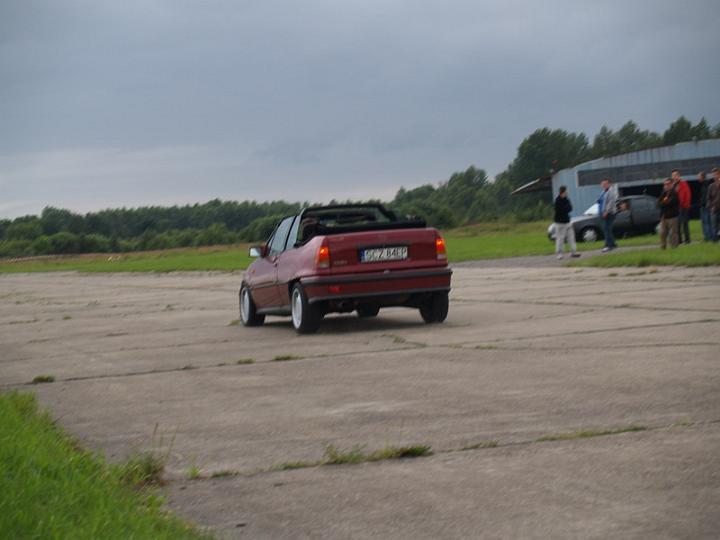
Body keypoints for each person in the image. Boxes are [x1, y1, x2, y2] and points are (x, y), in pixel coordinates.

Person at [553, 186, 581, 259]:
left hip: (567, 221)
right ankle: (559, 253)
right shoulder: (557, 200)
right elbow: (562, 210)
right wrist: (566, 208)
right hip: (559, 222)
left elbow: (570, 208)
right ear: (563, 192)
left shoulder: (567, 199)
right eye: (566, 191)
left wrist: (566, 208)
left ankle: (573, 252)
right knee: (560, 238)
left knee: (571, 237)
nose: (567, 192)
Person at [658, 178, 679, 249]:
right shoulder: (663, 193)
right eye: (665, 184)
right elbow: (658, 204)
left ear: (672, 184)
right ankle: (663, 246)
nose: (666, 186)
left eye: (667, 184)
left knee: (672, 233)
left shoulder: (674, 193)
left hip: (672, 217)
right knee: (662, 233)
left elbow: (670, 203)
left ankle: (674, 247)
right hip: (663, 217)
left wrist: (664, 202)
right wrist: (664, 202)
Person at [672, 169, 691, 244]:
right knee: (677, 224)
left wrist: (685, 205)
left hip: (683, 207)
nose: (674, 177)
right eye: (673, 175)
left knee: (684, 223)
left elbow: (687, 195)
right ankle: (679, 240)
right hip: (676, 207)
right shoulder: (672, 185)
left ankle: (687, 240)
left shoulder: (683, 183)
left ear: (679, 176)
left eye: (676, 175)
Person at [598, 178, 617, 252]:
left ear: (608, 184)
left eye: (605, 184)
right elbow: (602, 200)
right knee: (607, 229)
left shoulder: (610, 192)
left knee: (606, 229)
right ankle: (613, 244)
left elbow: (611, 202)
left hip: (609, 213)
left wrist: (606, 212)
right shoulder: (603, 192)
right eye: (602, 184)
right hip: (602, 212)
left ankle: (608, 246)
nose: (603, 185)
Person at [698, 171, 712, 241]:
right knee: (703, 222)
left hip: (706, 206)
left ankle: (708, 237)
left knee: (707, 222)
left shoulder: (706, 185)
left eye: (699, 177)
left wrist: (706, 203)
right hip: (702, 206)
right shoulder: (703, 185)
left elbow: (707, 196)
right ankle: (706, 237)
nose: (698, 178)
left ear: (702, 177)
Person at [709, 168, 720, 242]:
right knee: (714, 225)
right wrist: (711, 207)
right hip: (714, 209)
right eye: (713, 174)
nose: (715, 176)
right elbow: (708, 198)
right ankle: (715, 240)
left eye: (716, 174)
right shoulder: (711, 186)